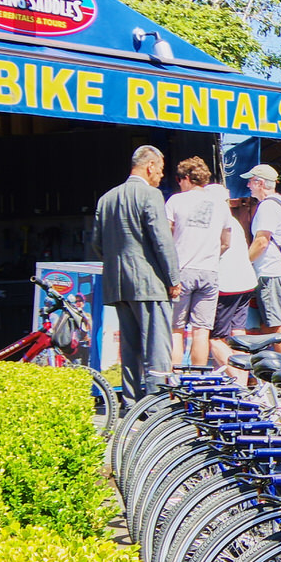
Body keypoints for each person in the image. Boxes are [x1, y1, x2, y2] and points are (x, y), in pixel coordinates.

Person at [94, 145, 180, 399]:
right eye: (161, 170)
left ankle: (130, 402)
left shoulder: (107, 198)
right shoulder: (151, 195)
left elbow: (97, 243)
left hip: (119, 284)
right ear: (150, 166)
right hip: (150, 283)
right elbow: (162, 240)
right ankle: (156, 404)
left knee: (129, 348)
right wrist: (173, 278)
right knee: (156, 347)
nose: (161, 176)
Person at [166, 156, 232, 369]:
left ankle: (174, 384)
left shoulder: (176, 201)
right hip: (209, 271)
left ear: (186, 178)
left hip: (181, 271)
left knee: (176, 330)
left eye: (179, 179)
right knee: (201, 330)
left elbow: (166, 236)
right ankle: (198, 380)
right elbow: (226, 242)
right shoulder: (221, 206)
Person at [243, 163, 281, 338]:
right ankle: (277, 364)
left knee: (277, 327)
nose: (248, 185)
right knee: (269, 325)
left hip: (272, 272)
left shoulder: (267, 206)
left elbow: (261, 241)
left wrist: (243, 264)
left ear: (259, 183)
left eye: (250, 181)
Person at [210, 202, 259, 380]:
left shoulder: (214, 221)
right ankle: (244, 382)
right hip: (245, 282)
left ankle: (237, 381)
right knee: (238, 333)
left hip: (226, 284)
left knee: (215, 339)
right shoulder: (234, 221)